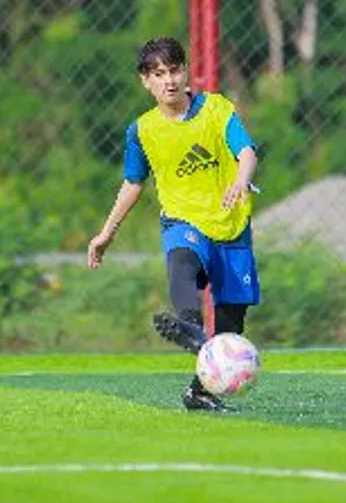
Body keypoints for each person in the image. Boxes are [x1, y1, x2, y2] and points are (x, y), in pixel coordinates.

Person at [87, 37, 261, 412]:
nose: (168, 80)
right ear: (145, 81)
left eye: (174, 70)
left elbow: (246, 152)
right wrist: (106, 233)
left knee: (231, 321)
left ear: (186, 72)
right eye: (158, 73)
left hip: (230, 224)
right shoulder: (142, 131)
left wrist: (240, 179)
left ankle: (200, 391)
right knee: (183, 260)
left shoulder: (216, 109)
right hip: (182, 219)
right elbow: (133, 183)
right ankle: (190, 328)